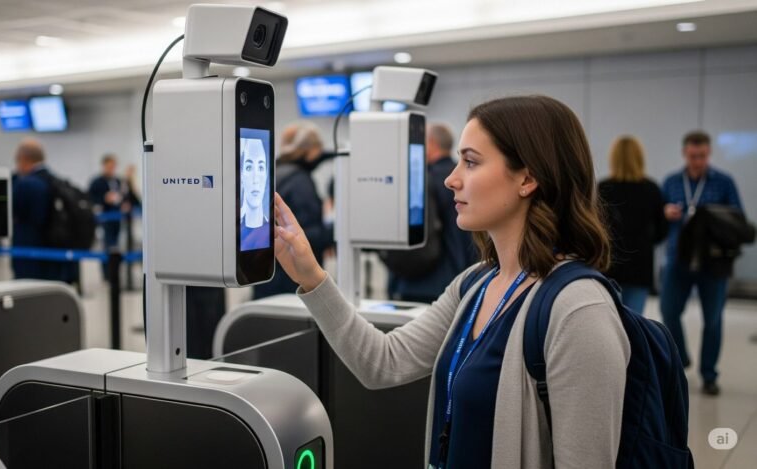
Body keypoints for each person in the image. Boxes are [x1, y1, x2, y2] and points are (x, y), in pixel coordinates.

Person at [274, 95, 628, 468]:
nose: (450, 178)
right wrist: (311, 276)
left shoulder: (578, 311)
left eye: (471, 162)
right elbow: (382, 362)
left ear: (527, 178)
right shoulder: (474, 285)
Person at [660, 130, 743, 396]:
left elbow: (738, 218)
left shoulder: (723, 182)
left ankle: (709, 375)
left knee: (713, 319)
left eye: (703, 156)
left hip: (713, 262)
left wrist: (714, 218)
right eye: (694, 156)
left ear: (709, 154)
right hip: (678, 257)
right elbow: (657, 219)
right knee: (668, 311)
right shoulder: (672, 182)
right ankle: (680, 357)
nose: (698, 161)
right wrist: (665, 213)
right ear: (685, 154)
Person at [383, 123, 477, 304]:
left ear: (431, 143)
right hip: (464, 278)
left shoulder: (421, 180)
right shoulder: (467, 179)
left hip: (421, 284)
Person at [253, 122, 333, 299]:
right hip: (290, 280)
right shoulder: (300, 182)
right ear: (311, 150)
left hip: (267, 274)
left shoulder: (272, 172)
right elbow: (308, 235)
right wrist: (336, 230)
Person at [598, 136, 667, 314]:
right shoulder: (651, 189)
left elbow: (595, 228)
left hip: (609, 265)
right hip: (641, 265)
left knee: (610, 321)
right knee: (634, 323)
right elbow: (662, 232)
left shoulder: (604, 188)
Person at [11, 138, 74, 283]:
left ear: (23, 159)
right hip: (53, 255)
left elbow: (15, 213)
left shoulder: (25, 184)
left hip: (29, 257)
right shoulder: (55, 180)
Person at [89, 154, 126, 279]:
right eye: (109, 166)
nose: (111, 169)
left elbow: (124, 196)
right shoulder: (96, 182)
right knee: (107, 246)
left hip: (117, 218)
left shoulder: (118, 181)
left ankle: (115, 273)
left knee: (116, 246)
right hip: (105, 219)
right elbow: (90, 198)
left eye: (113, 166)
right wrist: (104, 199)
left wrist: (124, 203)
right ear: (104, 166)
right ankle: (107, 274)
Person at [240, 136, 270, 251]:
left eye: (261, 167)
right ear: (242, 175)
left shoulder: (272, 231)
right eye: (249, 167)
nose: (255, 179)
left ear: (266, 175)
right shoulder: (233, 229)